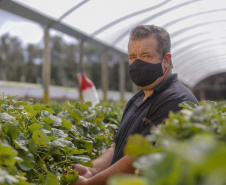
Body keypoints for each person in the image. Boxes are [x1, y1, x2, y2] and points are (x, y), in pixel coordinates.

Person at [70, 25, 199, 185]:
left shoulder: (176, 100)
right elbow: (117, 147)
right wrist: (92, 169)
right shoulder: (138, 98)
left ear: (166, 60)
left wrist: (90, 183)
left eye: (145, 55)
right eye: (132, 57)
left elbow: (138, 159)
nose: (137, 63)